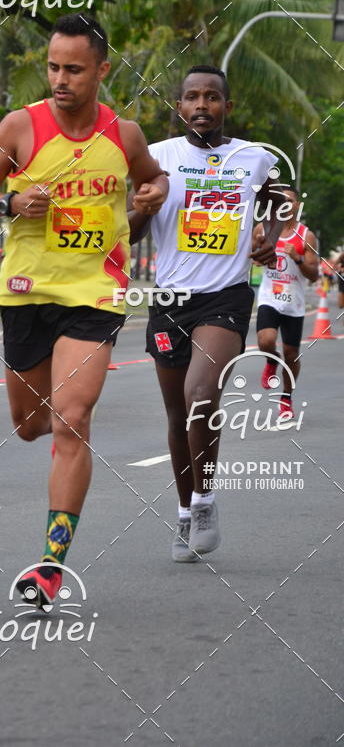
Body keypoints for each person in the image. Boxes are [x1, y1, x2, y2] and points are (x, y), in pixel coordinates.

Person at [0, 14, 168, 607]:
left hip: (95, 297)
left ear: (102, 70)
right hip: (27, 294)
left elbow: (151, 183)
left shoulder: (124, 135)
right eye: (53, 66)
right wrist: (11, 202)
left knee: (71, 420)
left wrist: (148, 198)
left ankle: (51, 565)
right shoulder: (20, 126)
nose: (60, 78)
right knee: (31, 425)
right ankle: (52, 534)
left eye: (74, 69)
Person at [133, 65, 284, 563]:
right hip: (171, 299)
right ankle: (183, 511)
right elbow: (129, 231)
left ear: (227, 107)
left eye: (213, 97)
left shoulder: (253, 158)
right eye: (192, 97)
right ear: (179, 106)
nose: (202, 105)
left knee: (201, 394)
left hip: (226, 297)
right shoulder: (157, 158)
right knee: (177, 416)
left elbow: (283, 201)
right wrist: (144, 209)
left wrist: (270, 235)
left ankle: (205, 501)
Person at [254, 186, 319, 420]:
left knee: (291, 354)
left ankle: (286, 398)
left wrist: (298, 257)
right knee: (266, 339)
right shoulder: (263, 229)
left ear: (297, 205)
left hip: (294, 301)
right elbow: (250, 257)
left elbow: (314, 274)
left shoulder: (306, 235)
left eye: (289, 201)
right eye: (280, 200)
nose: (285, 205)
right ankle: (271, 361)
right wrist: (259, 250)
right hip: (269, 296)